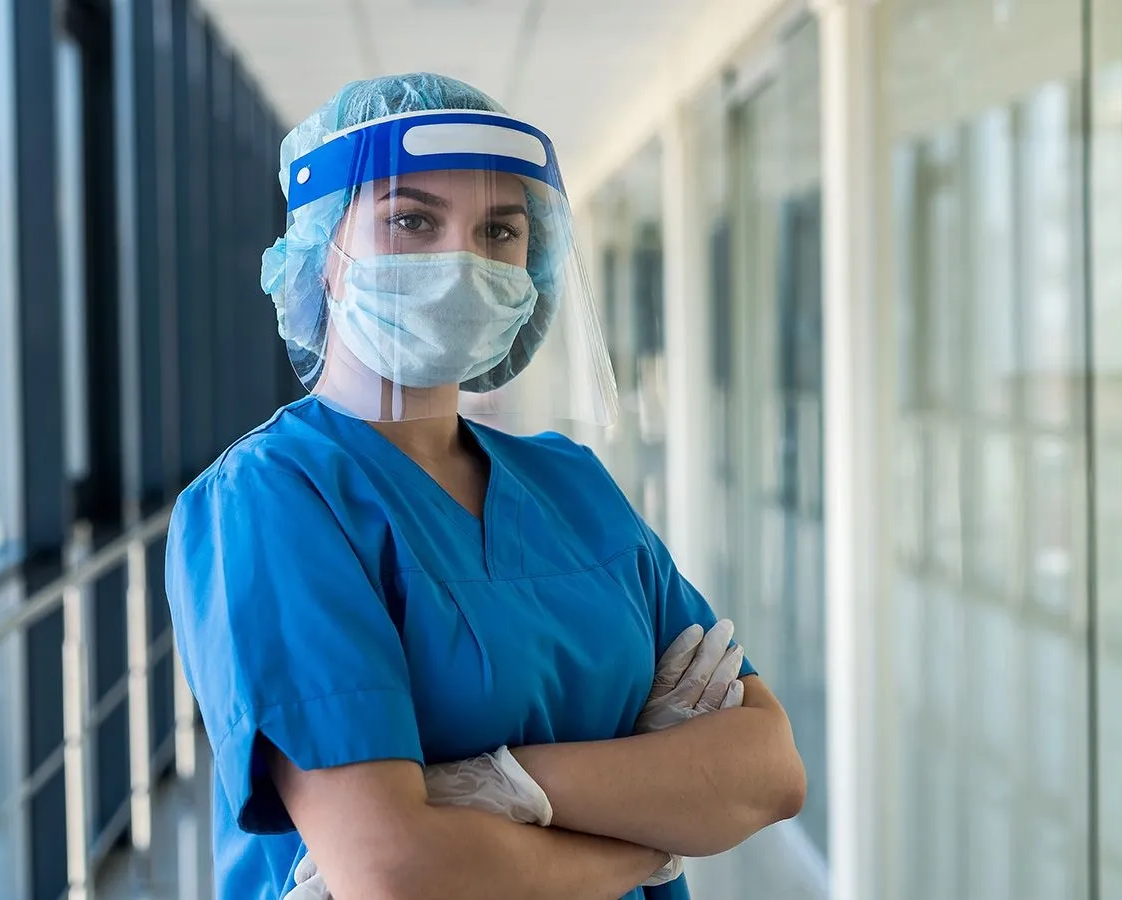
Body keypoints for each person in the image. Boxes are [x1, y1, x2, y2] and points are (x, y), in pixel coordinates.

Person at [166, 72, 806, 900]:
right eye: (411, 220)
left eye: (500, 230)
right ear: (323, 257)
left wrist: (502, 787)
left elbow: (771, 771)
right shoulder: (271, 498)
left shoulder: (571, 484)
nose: (462, 260)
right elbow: (397, 873)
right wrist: (653, 831)